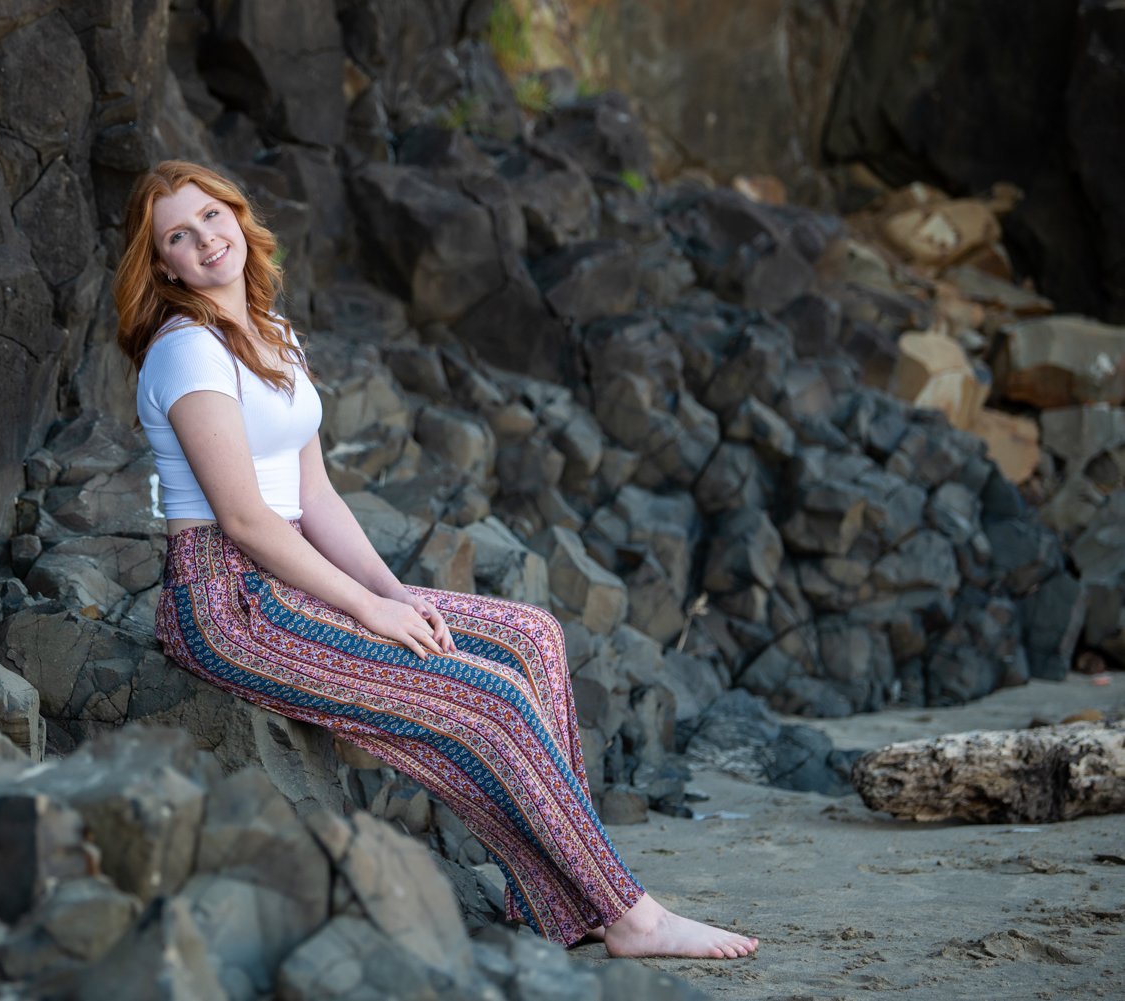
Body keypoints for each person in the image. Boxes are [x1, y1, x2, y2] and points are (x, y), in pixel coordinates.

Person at [111, 159, 758, 960]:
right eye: (180, 234)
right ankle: (632, 915)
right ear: (164, 263)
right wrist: (365, 608)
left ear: (239, 217)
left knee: (532, 638)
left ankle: (565, 903)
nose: (206, 239)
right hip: (228, 600)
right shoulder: (186, 350)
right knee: (486, 699)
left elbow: (316, 498)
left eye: (212, 216)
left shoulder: (272, 333)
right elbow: (244, 519)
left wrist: (393, 592)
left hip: (290, 574)